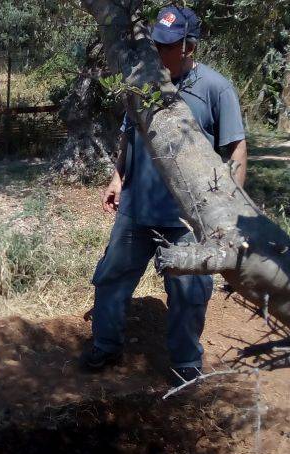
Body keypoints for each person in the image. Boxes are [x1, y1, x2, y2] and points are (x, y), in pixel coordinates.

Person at [81, 6, 248, 384]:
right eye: (156, 43)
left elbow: (236, 147)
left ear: (190, 46)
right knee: (111, 278)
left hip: (186, 219)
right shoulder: (145, 82)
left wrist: (230, 209)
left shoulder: (215, 88)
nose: (159, 52)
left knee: (189, 291)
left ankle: (186, 362)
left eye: (169, 46)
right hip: (136, 210)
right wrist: (117, 177)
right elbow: (129, 131)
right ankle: (105, 346)